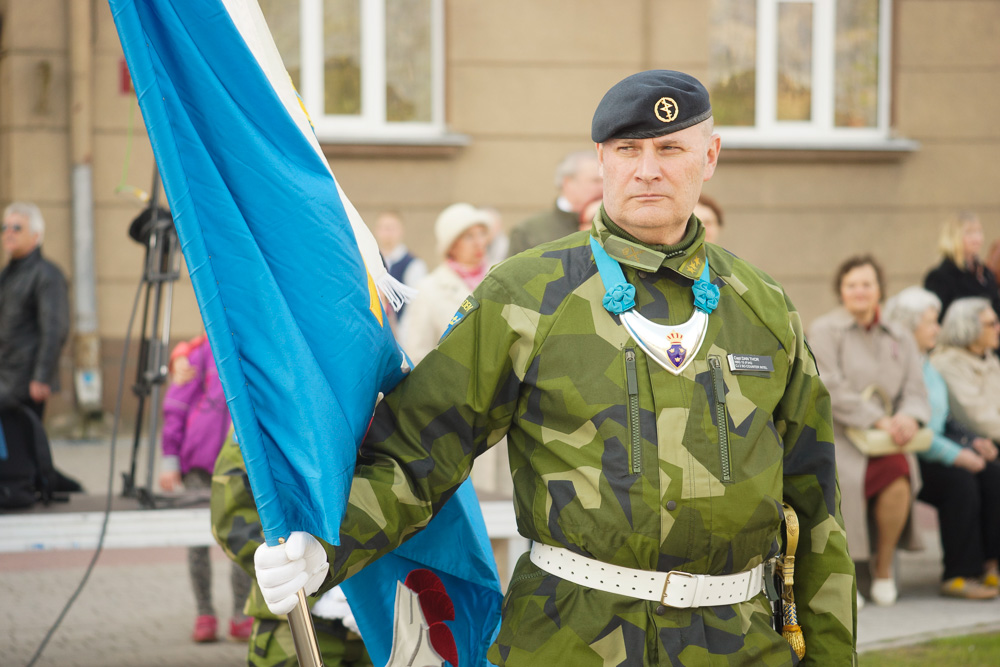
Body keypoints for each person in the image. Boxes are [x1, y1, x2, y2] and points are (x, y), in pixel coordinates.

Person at [254, 70, 856, 665]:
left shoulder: (762, 306)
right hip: (570, 637)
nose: (648, 168)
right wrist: (324, 547)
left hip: (739, 643)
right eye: (628, 149)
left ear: (711, 154)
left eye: (671, 148)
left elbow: (815, 504)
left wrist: (833, 655)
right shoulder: (525, 294)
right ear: (602, 160)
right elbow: (419, 449)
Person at [808, 255, 929, 608]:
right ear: (840, 291)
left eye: (867, 284)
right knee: (845, 483)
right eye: (851, 285)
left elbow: (916, 390)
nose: (859, 291)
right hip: (842, 437)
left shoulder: (900, 335)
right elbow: (830, 385)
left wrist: (908, 417)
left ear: (880, 290)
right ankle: (849, 574)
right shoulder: (825, 330)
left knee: (900, 472)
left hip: (890, 438)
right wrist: (877, 418)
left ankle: (883, 568)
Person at [211, 433, 372, 666]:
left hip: (380, 622)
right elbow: (231, 514)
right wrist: (312, 581)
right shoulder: (264, 403)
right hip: (294, 623)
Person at [883, 287, 1000, 599]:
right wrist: (957, 455)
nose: (938, 329)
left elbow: (944, 418)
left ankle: (989, 565)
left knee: (990, 472)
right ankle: (958, 575)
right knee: (960, 483)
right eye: (931, 322)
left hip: (935, 450)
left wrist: (973, 442)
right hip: (913, 456)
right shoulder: (898, 364)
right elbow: (919, 428)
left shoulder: (927, 363)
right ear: (909, 327)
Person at [159, 336, 254, 643]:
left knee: (243, 540)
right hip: (199, 465)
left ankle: (242, 613)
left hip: (242, 465)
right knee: (196, 542)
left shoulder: (256, 346)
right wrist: (170, 458)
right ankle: (204, 612)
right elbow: (177, 403)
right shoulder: (200, 353)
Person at [401, 202, 492, 364]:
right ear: (451, 246)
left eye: (481, 234)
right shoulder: (428, 289)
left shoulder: (499, 279)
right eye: (469, 236)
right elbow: (418, 356)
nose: (479, 242)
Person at [930, 297, 1000, 442]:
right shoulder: (948, 363)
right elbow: (977, 418)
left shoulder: (988, 358)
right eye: (991, 324)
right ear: (969, 326)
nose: (998, 329)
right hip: (976, 444)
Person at [507, 150, 603, 255]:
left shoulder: (614, 223)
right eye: (596, 181)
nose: (603, 187)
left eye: (605, 180)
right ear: (568, 183)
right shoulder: (529, 232)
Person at [923, 211, 1000, 322]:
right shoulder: (940, 276)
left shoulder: (985, 273)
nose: (977, 238)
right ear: (954, 237)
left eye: (979, 232)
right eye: (969, 233)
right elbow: (938, 318)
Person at [372, 211, 427, 329]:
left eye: (391, 228)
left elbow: (416, 306)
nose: (387, 233)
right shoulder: (371, 262)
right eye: (383, 228)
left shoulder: (414, 265)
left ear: (401, 231)